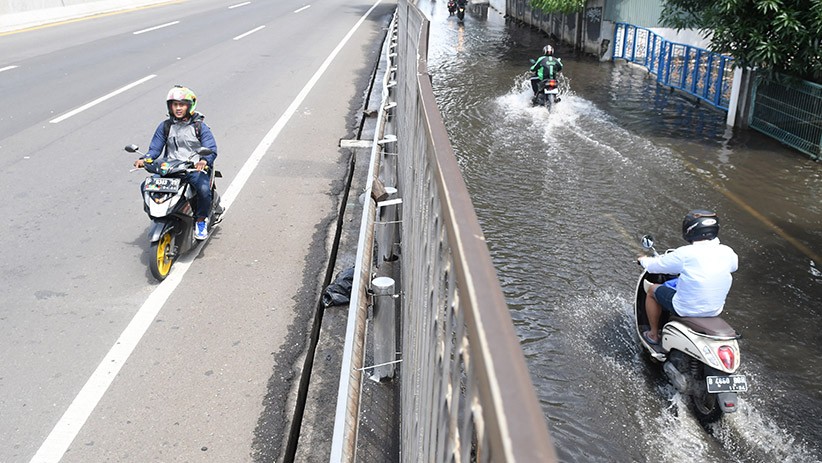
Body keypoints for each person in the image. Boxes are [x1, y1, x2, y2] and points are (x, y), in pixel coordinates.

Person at [637, 210, 739, 345]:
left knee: (652, 291)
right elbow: (733, 267)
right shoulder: (728, 251)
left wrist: (643, 260)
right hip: (714, 310)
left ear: (690, 229)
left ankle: (653, 335)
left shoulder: (685, 253)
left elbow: (655, 266)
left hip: (686, 308)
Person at [133, 85, 218, 240]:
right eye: (175, 105)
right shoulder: (165, 126)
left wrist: (204, 161)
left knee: (204, 189)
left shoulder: (200, 127)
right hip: (170, 168)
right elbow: (154, 149)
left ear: (189, 106)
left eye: (182, 104)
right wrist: (145, 159)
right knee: (145, 187)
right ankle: (160, 215)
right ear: (170, 106)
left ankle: (200, 220)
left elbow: (210, 148)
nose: (178, 108)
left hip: (192, 169)